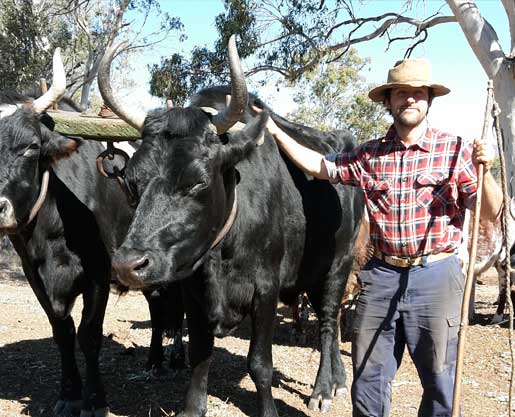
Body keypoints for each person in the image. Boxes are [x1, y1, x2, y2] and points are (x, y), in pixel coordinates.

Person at [259, 58, 504, 417]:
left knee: (440, 381)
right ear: (387, 101)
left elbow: (489, 209)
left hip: (436, 276)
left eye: (418, 93)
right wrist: (277, 133)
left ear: (429, 100)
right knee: (368, 380)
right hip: (381, 276)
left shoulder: (455, 151)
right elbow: (320, 167)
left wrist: (487, 171)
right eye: (401, 93)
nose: (410, 100)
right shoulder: (370, 154)